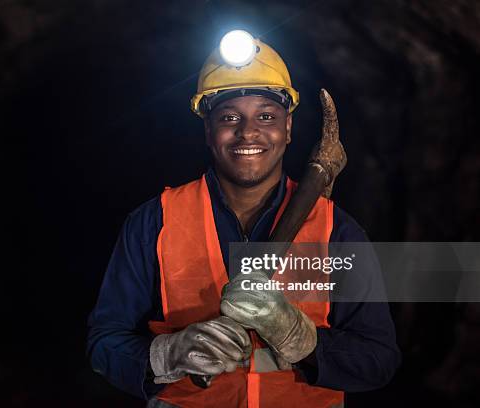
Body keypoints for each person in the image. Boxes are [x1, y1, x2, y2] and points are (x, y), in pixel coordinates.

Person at [87, 31, 400, 407]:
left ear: (287, 128)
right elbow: (104, 344)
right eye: (229, 117)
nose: (247, 131)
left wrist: (304, 342)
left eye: (266, 116)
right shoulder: (153, 224)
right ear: (208, 130)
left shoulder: (337, 232)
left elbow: (380, 360)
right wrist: (165, 356)